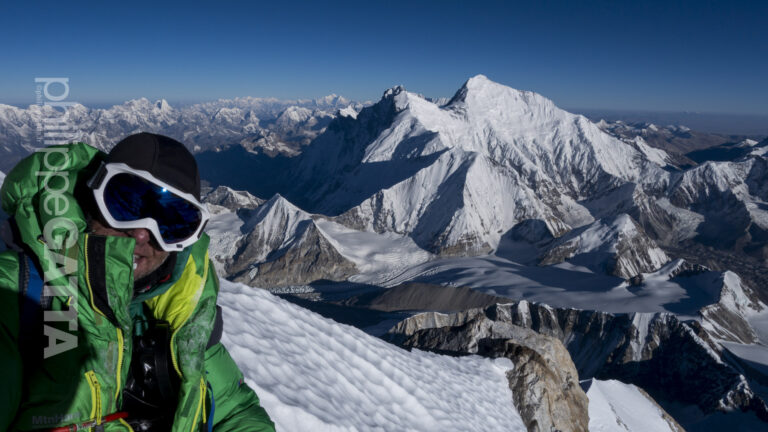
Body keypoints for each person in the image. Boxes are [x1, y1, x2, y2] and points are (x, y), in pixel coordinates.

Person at [0, 133, 275, 431]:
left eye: (172, 222)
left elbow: (235, 411)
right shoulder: (15, 296)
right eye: (125, 204)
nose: (142, 234)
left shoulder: (181, 314)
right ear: (92, 196)